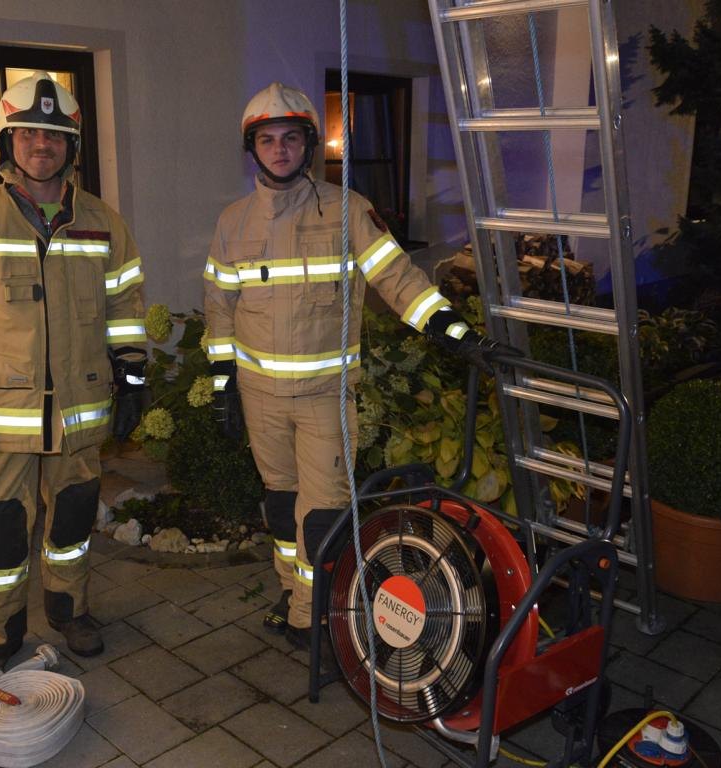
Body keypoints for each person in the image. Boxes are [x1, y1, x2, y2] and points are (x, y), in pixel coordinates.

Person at [202, 82, 505, 664]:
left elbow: (397, 278)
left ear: (309, 145)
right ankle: (292, 592)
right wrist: (223, 384)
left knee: (322, 515)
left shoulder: (346, 210)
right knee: (280, 505)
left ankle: (314, 614)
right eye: (268, 140)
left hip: (324, 399)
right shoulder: (231, 223)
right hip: (260, 398)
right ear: (252, 149)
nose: (280, 149)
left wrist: (450, 328)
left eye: (291, 138)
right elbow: (219, 307)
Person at [0, 72, 147, 690]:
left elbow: (126, 305)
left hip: (78, 411)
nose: (40, 144)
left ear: (71, 146)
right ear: (8, 142)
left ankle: (70, 611)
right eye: (27, 133)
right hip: (3, 418)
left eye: (53, 135)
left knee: (72, 521)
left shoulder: (103, 223)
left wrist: (132, 377)